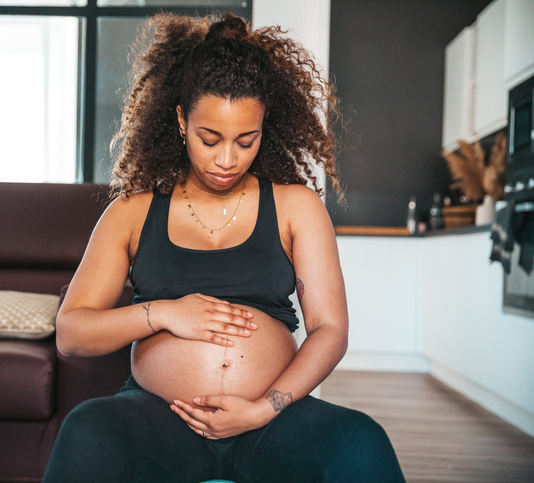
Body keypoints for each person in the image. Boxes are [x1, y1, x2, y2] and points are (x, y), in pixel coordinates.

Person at [42, 12, 405, 483]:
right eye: (209, 138)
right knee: (87, 429)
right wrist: (165, 313)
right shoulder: (132, 211)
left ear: (263, 127)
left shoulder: (296, 207)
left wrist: (262, 408)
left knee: (362, 440)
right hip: (159, 417)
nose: (227, 159)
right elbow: (71, 332)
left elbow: (330, 329)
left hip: (269, 422)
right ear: (180, 120)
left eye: (245, 140)